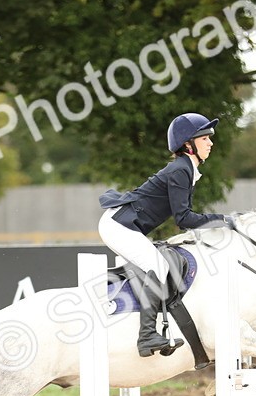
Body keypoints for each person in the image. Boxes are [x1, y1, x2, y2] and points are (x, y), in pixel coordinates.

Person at [97, 112, 232, 357]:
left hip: (124, 224)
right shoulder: (181, 170)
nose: (211, 143)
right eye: (204, 138)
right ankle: (147, 336)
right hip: (118, 225)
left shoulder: (186, 169)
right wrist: (222, 220)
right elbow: (184, 219)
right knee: (158, 266)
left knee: (155, 265)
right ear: (188, 144)